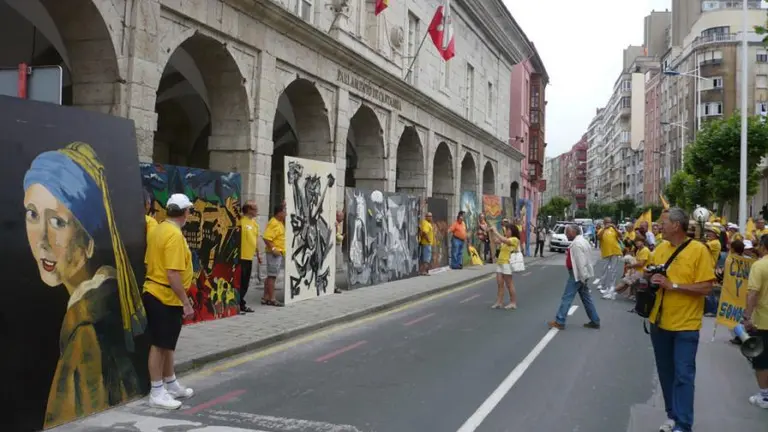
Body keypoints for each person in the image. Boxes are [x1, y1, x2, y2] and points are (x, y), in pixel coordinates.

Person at [23, 142, 147, 426]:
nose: (41, 239)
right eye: (32, 214)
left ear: (89, 242)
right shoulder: (106, 304)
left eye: (57, 222)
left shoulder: (86, 334)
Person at [646, 208, 715, 432]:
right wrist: (646, 278)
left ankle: (684, 425)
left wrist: (673, 286)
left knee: (683, 375)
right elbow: (652, 275)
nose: (659, 225)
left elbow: (706, 287)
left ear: (676, 225)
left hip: (685, 326)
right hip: (659, 322)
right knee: (666, 373)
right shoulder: (660, 248)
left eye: (663, 222)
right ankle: (672, 415)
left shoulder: (699, 251)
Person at [142, 193, 196, 410]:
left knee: (167, 344)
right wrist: (186, 302)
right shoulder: (173, 235)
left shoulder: (159, 229)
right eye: (189, 211)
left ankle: (170, 383)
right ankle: (156, 391)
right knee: (159, 345)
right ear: (185, 213)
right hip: (163, 295)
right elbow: (172, 273)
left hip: (160, 293)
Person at [547, 224, 599, 329]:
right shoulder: (583, 241)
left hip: (577, 275)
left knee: (567, 297)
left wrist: (582, 277)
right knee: (586, 298)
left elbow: (580, 262)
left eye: (568, 232)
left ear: (574, 232)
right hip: (581, 274)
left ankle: (560, 321)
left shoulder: (576, 244)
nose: (566, 235)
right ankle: (595, 320)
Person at [743, 234, 768, 409]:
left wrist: (747, 317)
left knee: (761, 360)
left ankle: (765, 396)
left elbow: (752, 294)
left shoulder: (759, 266)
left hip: (763, 320)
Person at [489, 224, 520, 310]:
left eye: (508, 230)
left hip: (507, 264)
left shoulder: (514, 239)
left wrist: (495, 231)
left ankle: (513, 302)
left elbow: (503, 240)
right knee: (500, 284)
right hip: (500, 263)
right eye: (506, 230)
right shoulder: (505, 239)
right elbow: (495, 241)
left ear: (512, 231)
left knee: (509, 284)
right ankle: (499, 302)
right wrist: (491, 232)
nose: (506, 232)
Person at [262, 204, 286, 307]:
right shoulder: (274, 223)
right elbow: (266, 237)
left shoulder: (280, 222)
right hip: (274, 254)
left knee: (271, 275)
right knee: (272, 276)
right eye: (284, 211)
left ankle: (266, 297)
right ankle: (272, 299)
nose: (286, 214)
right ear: (279, 213)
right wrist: (273, 249)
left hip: (279, 253)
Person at [239, 200, 260, 313]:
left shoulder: (254, 223)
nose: (257, 211)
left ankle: (241, 302)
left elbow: (255, 240)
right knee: (241, 282)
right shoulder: (241, 222)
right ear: (248, 210)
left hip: (249, 257)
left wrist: (258, 254)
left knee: (245, 282)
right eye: (255, 208)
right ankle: (239, 303)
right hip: (241, 256)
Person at [595, 217, 623, 294]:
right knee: (604, 269)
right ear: (604, 223)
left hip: (615, 251)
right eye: (607, 222)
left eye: (609, 222)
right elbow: (598, 237)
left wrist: (615, 228)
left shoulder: (613, 229)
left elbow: (621, 236)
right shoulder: (601, 230)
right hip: (606, 252)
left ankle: (612, 285)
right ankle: (602, 284)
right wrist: (604, 228)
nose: (608, 224)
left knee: (613, 270)